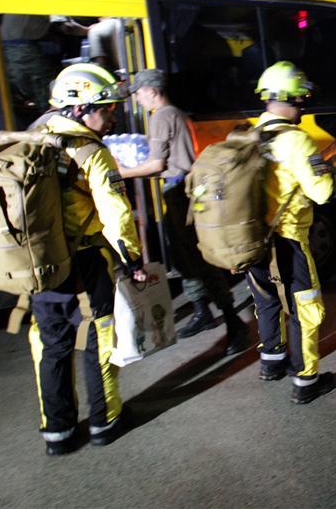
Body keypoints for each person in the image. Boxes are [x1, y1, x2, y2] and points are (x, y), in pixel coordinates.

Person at [31, 63, 148, 455]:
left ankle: (58, 434)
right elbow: (115, 211)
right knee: (99, 340)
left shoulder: (32, 137)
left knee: (51, 345)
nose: (111, 114)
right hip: (84, 262)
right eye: (105, 107)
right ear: (79, 108)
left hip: (39, 262)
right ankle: (105, 420)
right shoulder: (90, 151)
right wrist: (132, 259)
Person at [118, 69, 248, 356]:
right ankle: (203, 311)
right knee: (181, 255)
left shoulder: (162, 116)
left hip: (180, 192)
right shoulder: (174, 113)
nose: (137, 99)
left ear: (151, 90)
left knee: (198, 259)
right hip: (181, 190)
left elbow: (154, 165)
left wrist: (120, 171)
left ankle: (233, 322)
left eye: (138, 93)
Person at [245, 61, 336, 404]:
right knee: (305, 309)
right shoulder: (297, 140)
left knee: (267, 300)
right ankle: (306, 381)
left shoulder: (251, 134)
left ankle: (271, 362)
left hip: (254, 238)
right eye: (301, 99)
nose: (303, 105)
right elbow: (322, 193)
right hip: (288, 240)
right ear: (290, 98)